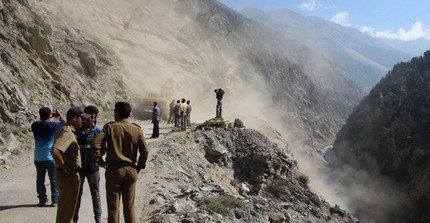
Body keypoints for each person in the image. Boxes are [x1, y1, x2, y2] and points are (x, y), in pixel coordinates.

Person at [92, 102, 149, 223]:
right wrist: (138, 167)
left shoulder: (110, 128)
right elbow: (145, 151)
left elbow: (95, 143)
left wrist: (100, 160)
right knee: (129, 208)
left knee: (113, 208)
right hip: (131, 170)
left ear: (117, 113)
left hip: (114, 171)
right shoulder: (137, 129)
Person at [51, 107, 90, 223]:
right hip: (68, 177)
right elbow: (55, 151)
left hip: (67, 176)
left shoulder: (67, 129)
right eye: (81, 118)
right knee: (66, 213)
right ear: (74, 118)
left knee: (67, 211)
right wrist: (65, 167)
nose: (83, 121)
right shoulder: (67, 132)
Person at [73, 105, 104, 223]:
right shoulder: (76, 131)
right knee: (77, 195)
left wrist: (97, 160)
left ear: (95, 118)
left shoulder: (98, 131)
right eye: (87, 116)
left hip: (93, 169)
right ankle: (74, 218)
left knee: (95, 194)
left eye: (92, 117)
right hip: (79, 169)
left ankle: (98, 218)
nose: (89, 119)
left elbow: (103, 148)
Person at [31, 107, 65, 207]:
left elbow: (40, 122)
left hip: (38, 157)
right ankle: (55, 199)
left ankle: (42, 199)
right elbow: (63, 123)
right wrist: (59, 116)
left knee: (40, 179)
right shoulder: (52, 126)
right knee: (53, 178)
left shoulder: (35, 126)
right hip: (50, 157)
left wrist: (49, 116)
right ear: (50, 115)